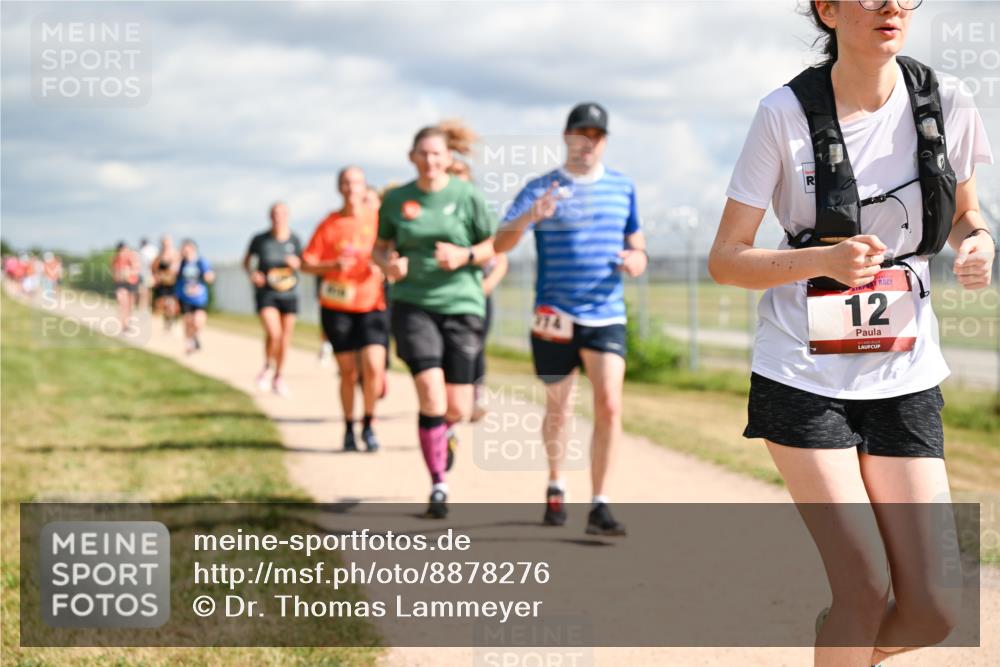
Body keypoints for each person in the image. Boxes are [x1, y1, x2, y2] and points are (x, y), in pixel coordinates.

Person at [708, 2, 994, 665]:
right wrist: (822, 261)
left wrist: (977, 243)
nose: (890, 4)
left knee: (934, 609)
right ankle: (849, 624)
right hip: (802, 377)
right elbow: (726, 258)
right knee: (864, 586)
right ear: (828, 9)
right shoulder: (783, 114)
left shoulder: (948, 100)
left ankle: (842, 642)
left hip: (906, 375)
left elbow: (967, 215)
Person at [495, 102, 646, 536]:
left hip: (605, 314)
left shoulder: (623, 187)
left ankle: (600, 503)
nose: (587, 143)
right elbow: (501, 244)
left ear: (604, 141)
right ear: (566, 137)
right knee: (560, 408)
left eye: (596, 135)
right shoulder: (541, 187)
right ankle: (556, 483)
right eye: (580, 134)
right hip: (554, 316)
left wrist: (638, 257)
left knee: (610, 404)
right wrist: (531, 215)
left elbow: (636, 242)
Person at [374, 122, 498, 518]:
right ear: (412, 157)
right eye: (423, 154)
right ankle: (438, 484)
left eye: (437, 154)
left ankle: (449, 433)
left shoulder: (468, 196)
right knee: (430, 392)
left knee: (457, 408)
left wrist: (465, 256)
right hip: (413, 302)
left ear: (449, 158)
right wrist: (388, 266)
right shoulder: (396, 201)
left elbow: (496, 243)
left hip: (461, 303)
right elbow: (378, 250)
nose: (430, 160)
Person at [303, 167, 387, 452]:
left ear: (365, 188)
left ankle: (370, 423)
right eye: (346, 183)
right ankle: (349, 427)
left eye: (357, 183)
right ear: (339, 188)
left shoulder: (378, 221)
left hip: (372, 303)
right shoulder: (329, 223)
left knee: (374, 365)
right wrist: (331, 266)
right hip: (337, 306)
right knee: (348, 372)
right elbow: (306, 263)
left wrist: (384, 264)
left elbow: (392, 252)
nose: (352, 188)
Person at [445, 136, 510, 422]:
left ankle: (476, 395)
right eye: (452, 174)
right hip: (444, 293)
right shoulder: (438, 214)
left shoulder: (482, 213)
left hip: (477, 292)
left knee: (475, 344)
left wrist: (488, 285)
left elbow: (501, 255)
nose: (456, 179)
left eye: (461, 174)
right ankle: (451, 399)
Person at [245, 202, 302, 397]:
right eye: (274, 214)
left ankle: (278, 376)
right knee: (274, 333)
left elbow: (304, 262)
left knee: (285, 338)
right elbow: (247, 262)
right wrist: (253, 274)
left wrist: (297, 263)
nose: (278, 217)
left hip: (289, 293)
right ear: (270, 216)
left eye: (282, 213)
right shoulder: (260, 240)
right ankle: (268, 366)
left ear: (288, 216)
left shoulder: (294, 239)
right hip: (267, 293)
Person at [175, 239, 215, 354]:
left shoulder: (201, 262)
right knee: (187, 321)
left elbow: (209, 275)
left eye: (186, 249)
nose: (184, 252)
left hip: (199, 298)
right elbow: (175, 276)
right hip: (185, 297)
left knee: (198, 321)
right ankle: (189, 343)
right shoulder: (181, 263)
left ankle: (195, 336)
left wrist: (209, 276)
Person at [110, 242, 141, 334]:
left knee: (130, 305)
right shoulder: (115, 259)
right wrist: (118, 276)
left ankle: (128, 322)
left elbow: (136, 269)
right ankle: (123, 324)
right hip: (121, 283)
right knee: (122, 303)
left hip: (131, 282)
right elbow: (113, 271)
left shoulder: (132, 257)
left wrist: (129, 273)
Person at [152, 235, 180, 332]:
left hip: (172, 284)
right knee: (162, 305)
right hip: (162, 285)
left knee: (171, 305)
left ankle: (171, 323)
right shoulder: (159, 256)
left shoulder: (176, 254)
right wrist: (157, 277)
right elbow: (154, 268)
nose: (166, 245)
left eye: (167, 243)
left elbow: (178, 269)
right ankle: (167, 322)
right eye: (164, 243)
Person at [137, 237, 158, 311]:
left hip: (145, 274)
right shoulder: (154, 249)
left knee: (144, 291)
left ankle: (143, 307)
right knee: (149, 291)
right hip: (151, 274)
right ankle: (148, 306)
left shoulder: (143, 251)